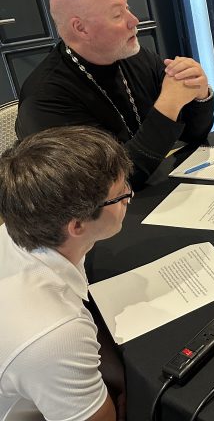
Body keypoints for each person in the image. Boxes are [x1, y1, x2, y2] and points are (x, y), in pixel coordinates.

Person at [16, 0, 214, 187]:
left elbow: (193, 135)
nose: (134, 20)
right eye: (118, 15)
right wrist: (169, 104)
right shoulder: (44, 98)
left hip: (156, 180)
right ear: (81, 28)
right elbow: (110, 184)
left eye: (127, 8)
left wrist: (199, 94)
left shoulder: (134, 55)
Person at [0, 126, 133, 421]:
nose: (128, 196)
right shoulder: (56, 334)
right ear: (77, 226)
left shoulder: (21, 226)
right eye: (119, 195)